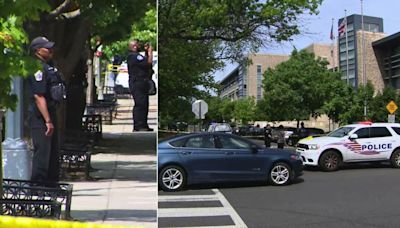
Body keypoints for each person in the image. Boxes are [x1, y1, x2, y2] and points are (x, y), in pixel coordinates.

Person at [28, 36, 66, 183]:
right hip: (40, 117)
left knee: (53, 153)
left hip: (50, 112)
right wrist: (48, 121)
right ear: (38, 50)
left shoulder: (49, 65)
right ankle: (38, 187)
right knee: (42, 153)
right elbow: (39, 96)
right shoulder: (36, 68)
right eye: (47, 48)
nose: (50, 50)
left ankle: (51, 185)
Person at [127, 40, 153, 131]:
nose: (139, 46)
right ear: (134, 46)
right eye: (137, 45)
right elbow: (148, 63)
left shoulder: (137, 56)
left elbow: (145, 63)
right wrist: (150, 52)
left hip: (142, 83)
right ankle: (138, 125)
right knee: (140, 104)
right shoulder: (133, 56)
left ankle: (144, 125)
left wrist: (146, 52)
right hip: (137, 83)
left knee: (144, 104)